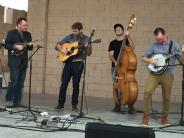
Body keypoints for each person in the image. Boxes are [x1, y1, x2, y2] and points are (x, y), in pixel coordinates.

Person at [142, 27, 184, 127]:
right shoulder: (154, 45)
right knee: (147, 92)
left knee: (167, 97)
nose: (159, 41)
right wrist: (150, 60)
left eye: (161, 39)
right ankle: (145, 116)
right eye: (157, 39)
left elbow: (181, 61)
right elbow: (144, 58)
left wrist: (183, 53)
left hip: (168, 75)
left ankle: (164, 118)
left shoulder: (174, 46)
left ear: (165, 35)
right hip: (154, 74)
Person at [55, 22, 92, 111]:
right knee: (63, 83)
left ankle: (74, 105)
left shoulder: (86, 39)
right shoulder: (70, 37)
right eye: (73, 31)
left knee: (76, 85)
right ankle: (60, 104)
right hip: (68, 63)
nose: (74, 33)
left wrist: (89, 47)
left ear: (80, 30)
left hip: (78, 63)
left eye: (76, 31)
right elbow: (57, 45)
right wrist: (62, 50)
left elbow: (89, 53)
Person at [5, 17, 33, 108]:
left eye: (27, 25)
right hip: (14, 61)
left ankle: (17, 102)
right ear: (19, 25)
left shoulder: (28, 34)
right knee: (14, 81)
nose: (26, 27)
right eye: (24, 25)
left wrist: (30, 46)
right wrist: (15, 46)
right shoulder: (11, 33)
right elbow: (6, 45)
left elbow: (29, 48)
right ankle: (9, 100)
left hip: (24, 61)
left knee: (21, 83)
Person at [108, 24, 135, 113]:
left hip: (126, 67)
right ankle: (117, 105)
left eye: (119, 29)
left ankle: (130, 105)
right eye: (116, 29)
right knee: (116, 86)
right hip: (115, 67)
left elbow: (132, 48)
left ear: (123, 31)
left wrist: (129, 37)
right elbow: (111, 55)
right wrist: (116, 62)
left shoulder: (126, 41)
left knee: (129, 86)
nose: (117, 30)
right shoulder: (112, 43)